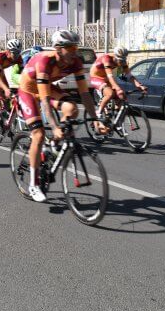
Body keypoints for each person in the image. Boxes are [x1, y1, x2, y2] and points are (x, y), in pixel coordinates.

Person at [17, 31, 106, 202]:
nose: (75, 51)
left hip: (46, 87)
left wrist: (96, 120)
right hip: (28, 90)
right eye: (71, 47)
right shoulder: (45, 61)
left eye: (76, 47)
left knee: (72, 109)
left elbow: (85, 94)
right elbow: (44, 102)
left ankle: (54, 144)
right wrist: (55, 127)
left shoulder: (76, 62)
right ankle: (33, 185)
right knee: (38, 134)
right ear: (58, 49)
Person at [89, 47, 147, 118]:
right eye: (119, 60)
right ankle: (98, 114)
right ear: (115, 56)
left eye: (123, 60)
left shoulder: (122, 62)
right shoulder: (107, 59)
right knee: (110, 93)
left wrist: (139, 85)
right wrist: (118, 89)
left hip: (106, 78)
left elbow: (129, 76)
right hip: (96, 77)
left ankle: (117, 124)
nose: (121, 62)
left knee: (121, 97)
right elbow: (110, 76)